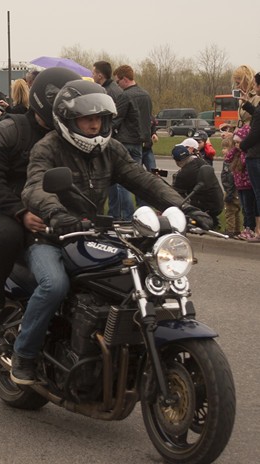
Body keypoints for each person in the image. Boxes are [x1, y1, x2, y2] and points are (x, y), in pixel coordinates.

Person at [15, 80, 211, 385]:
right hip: (50, 236)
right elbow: (35, 187)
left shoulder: (112, 149)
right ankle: (24, 356)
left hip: (92, 234)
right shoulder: (49, 147)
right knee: (54, 285)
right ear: (68, 120)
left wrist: (185, 209)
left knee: (139, 276)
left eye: (100, 119)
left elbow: (143, 180)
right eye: (87, 119)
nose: (95, 125)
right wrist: (57, 213)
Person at [0, 67, 82, 339]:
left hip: (52, 205)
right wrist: (20, 212)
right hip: (6, 206)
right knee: (8, 237)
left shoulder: (70, 134)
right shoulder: (9, 130)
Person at [108, 65, 153, 219]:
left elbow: (116, 119)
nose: (117, 85)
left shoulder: (125, 96)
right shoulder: (146, 95)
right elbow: (148, 120)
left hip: (125, 142)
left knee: (122, 183)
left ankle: (126, 216)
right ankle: (142, 214)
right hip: (139, 143)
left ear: (125, 79)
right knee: (137, 181)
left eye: (118, 82)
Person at [171, 144, 223, 226]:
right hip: (217, 199)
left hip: (203, 205)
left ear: (176, 161)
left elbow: (175, 194)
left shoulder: (183, 174)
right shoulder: (200, 161)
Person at [238, 71, 260, 241]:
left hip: (255, 154)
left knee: (257, 193)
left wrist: (242, 146)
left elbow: (256, 131)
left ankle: (258, 230)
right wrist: (247, 105)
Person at [229, 125, 258, 240]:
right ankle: (246, 228)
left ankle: (249, 228)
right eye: (235, 142)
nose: (237, 145)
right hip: (240, 186)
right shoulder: (237, 153)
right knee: (244, 209)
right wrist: (235, 148)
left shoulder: (247, 154)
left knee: (249, 209)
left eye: (239, 143)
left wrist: (242, 149)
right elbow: (227, 158)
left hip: (248, 186)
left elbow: (244, 162)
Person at [220, 135, 242, 238]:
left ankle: (230, 230)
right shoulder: (232, 161)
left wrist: (229, 193)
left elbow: (230, 178)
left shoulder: (230, 163)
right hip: (234, 190)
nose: (222, 151)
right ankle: (237, 230)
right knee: (236, 210)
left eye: (224, 148)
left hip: (231, 190)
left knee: (230, 211)